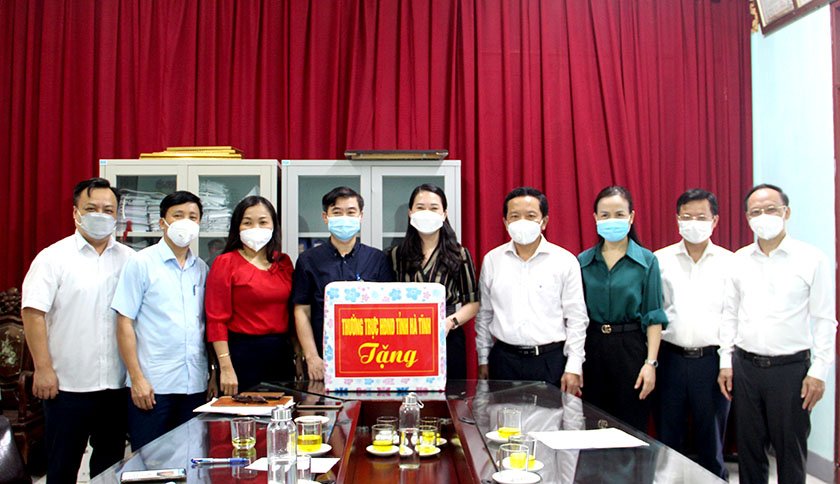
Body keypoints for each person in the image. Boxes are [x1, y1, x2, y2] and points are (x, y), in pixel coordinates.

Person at [717, 184, 836, 484]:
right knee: (749, 451)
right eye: (756, 211)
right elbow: (729, 315)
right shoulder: (738, 260)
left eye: (771, 209)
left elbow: (824, 319)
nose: (763, 216)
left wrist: (819, 371)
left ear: (787, 212)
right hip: (746, 367)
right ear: (747, 218)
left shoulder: (811, 259)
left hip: (791, 370)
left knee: (790, 451)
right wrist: (725, 362)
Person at [21, 178, 134, 482]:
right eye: (91, 208)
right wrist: (43, 368)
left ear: (117, 215)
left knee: (109, 468)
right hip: (67, 386)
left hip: (116, 384)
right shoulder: (53, 258)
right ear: (75, 213)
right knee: (62, 467)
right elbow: (33, 313)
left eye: (108, 210)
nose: (100, 215)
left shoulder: (131, 260)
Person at [112, 190, 210, 450]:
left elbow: (205, 326)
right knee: (150, 460)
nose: (185, 222)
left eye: (192, 217)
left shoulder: (201, 268)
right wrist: (137, 378)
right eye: (178, 215)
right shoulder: (141, 263)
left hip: (194, 384)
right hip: (154, 386)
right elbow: (124, 322)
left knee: (192, 457)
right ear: (162, 222)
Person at [475, 187, 588, 394]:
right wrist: (483, 359)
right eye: (515, 216)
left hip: (550, 361)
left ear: (544, 222)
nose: (522, 221)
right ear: (505, 222)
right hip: (504, 361)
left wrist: (573, 366)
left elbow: (576, 318)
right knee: (502, 415)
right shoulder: (492, 260)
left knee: (552, 415)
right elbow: (484, 315)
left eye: (530, 216)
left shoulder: (565, 261)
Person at [654, 189, 731, 479]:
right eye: (687, 217)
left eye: (701, 217)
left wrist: (728, 363)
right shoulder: (660, 260)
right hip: (670, 359)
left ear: (715, 220)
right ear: (677, 219)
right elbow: (655, 312)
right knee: (667, 439)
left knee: (711, 443)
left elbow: (733, 317)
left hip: (711, 362)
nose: (693, 223)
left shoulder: (729, 262)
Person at [578, 185, 667, 432]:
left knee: (630, 426)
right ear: (595, 218)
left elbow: (654, 316)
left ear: (631, 217)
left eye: (619, 214)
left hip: (631, 348)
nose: (612, 220)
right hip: (593, 347)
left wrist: (650, 363)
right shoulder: (583, 262)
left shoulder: (647, 261)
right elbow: (576, 317)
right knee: (593, 425)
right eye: (605, 215)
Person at [292, 186, 394, 380]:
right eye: (337, 212)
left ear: (361, 216)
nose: (344, 218)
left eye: (351, 212)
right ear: (325, 217)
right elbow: (302, 311)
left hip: (371, 355)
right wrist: (312, 357)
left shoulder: (377, 259)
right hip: (323, 360)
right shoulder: (308, 260)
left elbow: (387, 311)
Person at [205, 196, 295, 395]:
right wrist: (225, 367)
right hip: (241, 355)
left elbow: (294, 312)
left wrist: (299, 356)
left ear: (274, 226)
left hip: (281, 354)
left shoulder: (283, 263)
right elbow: (216, 321)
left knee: (282, 412)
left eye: (263, 222)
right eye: (247, 222)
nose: (256, 228)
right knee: (243, 413)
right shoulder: (225, 263)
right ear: (237, 227)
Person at [389, 184, 480, 380]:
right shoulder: (397, 255)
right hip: (406, 339)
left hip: (448, 336)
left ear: (444, 214)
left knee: (451, 393)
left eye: (433, 208)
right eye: (420, 208)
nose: (426, 213)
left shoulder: (459, 254)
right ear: (410, 213)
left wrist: (450, 322)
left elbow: (473, 302)